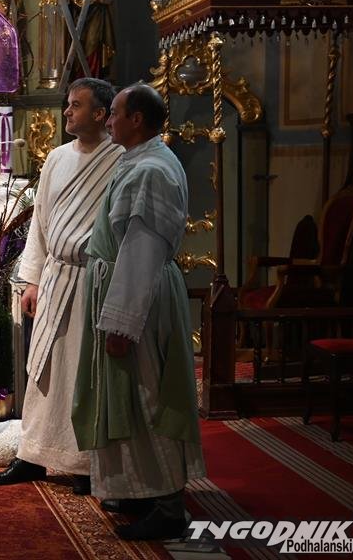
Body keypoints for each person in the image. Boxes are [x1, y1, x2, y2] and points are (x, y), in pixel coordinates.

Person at [72, 83, 206, 540]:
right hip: (125, 286)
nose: (108, 120)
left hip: (138, 296)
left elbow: (140, 251)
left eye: (114, 113)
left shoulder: (151, 170)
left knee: (148, 394)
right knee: (128, 393)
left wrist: (121, 325)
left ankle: (168, 506)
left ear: (137, 120)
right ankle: (140, 489)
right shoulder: (140, 159)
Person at [0, 78, 122, 494]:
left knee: (80, 371)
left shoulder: (119, 160)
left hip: (91, 281)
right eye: (68, 104)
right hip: (55, 277)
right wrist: (31, 279)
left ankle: (82, 463)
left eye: (76, 105)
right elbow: (40, 223)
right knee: (43, 369)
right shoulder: (58, 158)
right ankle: (32, 455)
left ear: (100, 114)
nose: (67, 112)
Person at [70, 0, 116, 79]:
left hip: (99, 16)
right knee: (86, 44)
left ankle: (97, 76)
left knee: (97, 44)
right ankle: (84, 76)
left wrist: (108, 0)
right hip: (84, 15)